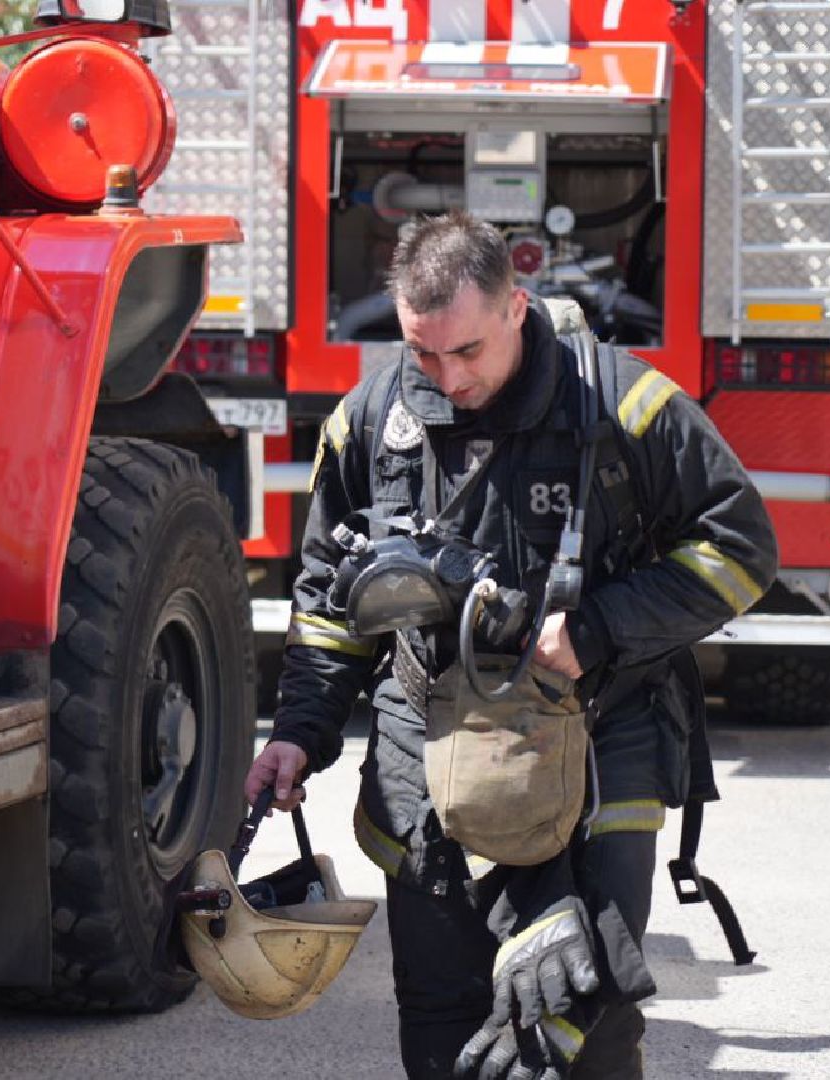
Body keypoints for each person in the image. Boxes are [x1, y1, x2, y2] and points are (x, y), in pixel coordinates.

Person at [245, 211, 778, 1078]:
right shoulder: (370, 422)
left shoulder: (624, 406)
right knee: (442, 1005)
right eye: (422, 353)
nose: (445, 377)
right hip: (424, 741)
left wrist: (600, 627)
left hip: (598, 737)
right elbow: (327, 602)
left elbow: (739, 547)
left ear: (516, 307)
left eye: (465, 352)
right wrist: (299, 733)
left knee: (585, 1011)